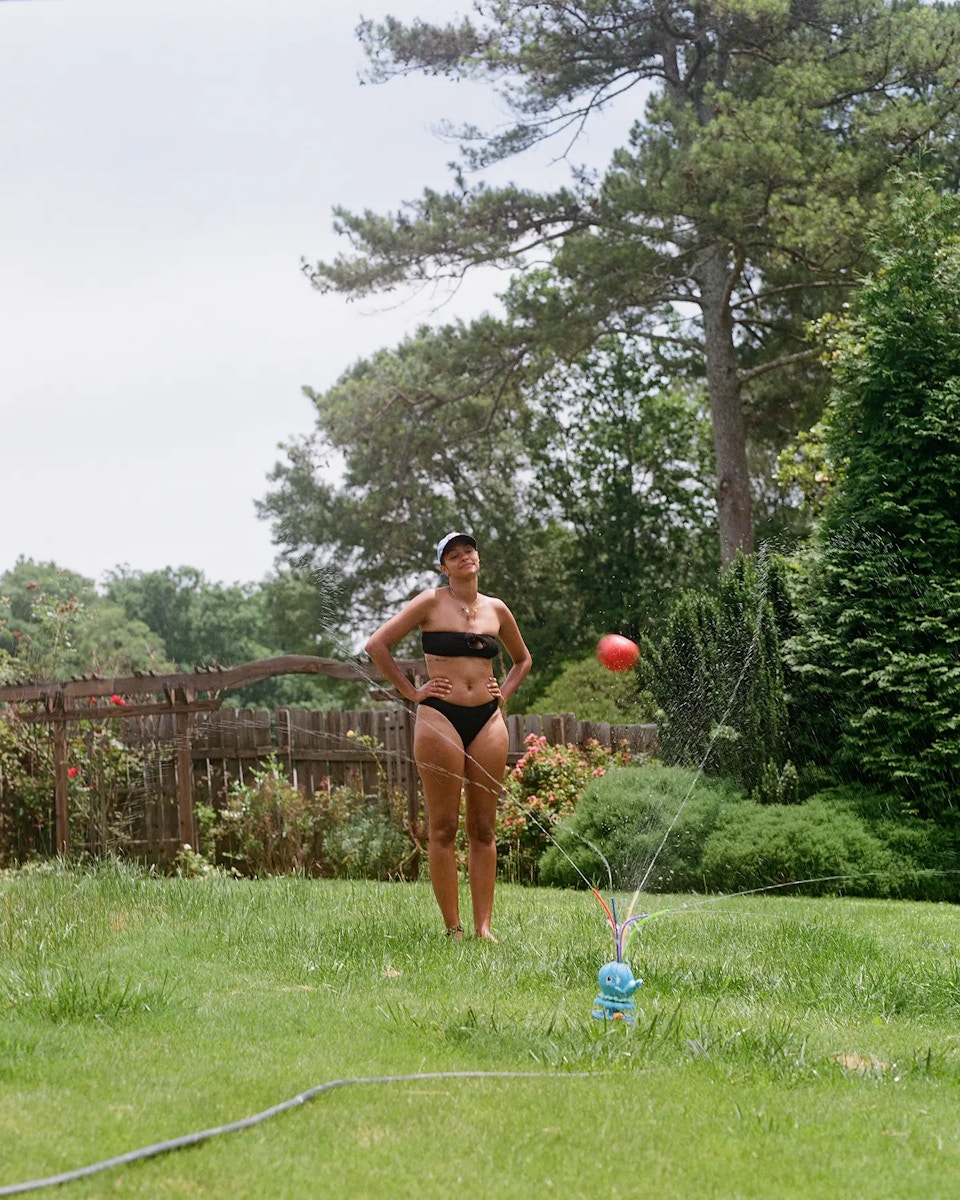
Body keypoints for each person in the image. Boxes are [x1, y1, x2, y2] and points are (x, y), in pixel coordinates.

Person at [365, 532, 532, 940]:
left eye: (468, 551)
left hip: (488, 721)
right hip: (440, 717)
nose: (464, 558)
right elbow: (376, 645)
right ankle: (453, 929)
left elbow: (522, 660)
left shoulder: (496, 608)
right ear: (443, 567)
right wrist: (412, 692)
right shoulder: (430, 602)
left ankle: (483, 928)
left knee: (484, 828)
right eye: (453, 555)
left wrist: (504, 694)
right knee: (443, 828)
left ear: (478, 558)